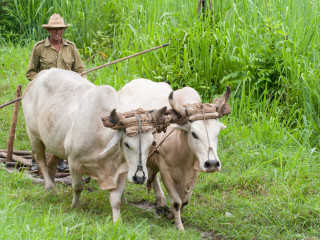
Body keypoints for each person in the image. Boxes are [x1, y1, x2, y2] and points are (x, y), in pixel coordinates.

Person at [26, 13, 86, 172]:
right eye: (54, 29)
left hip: (67, 96)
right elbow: (30, 73)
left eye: (60, 29)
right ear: (49, 31)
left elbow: (80, 71)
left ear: (63, 30)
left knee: (59, 126)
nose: (57, 32)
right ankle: (36, 159)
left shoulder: (70, 47)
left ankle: (58, 159)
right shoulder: (39, 48)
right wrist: (43, 81)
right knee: (38, 126)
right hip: (47, 95)